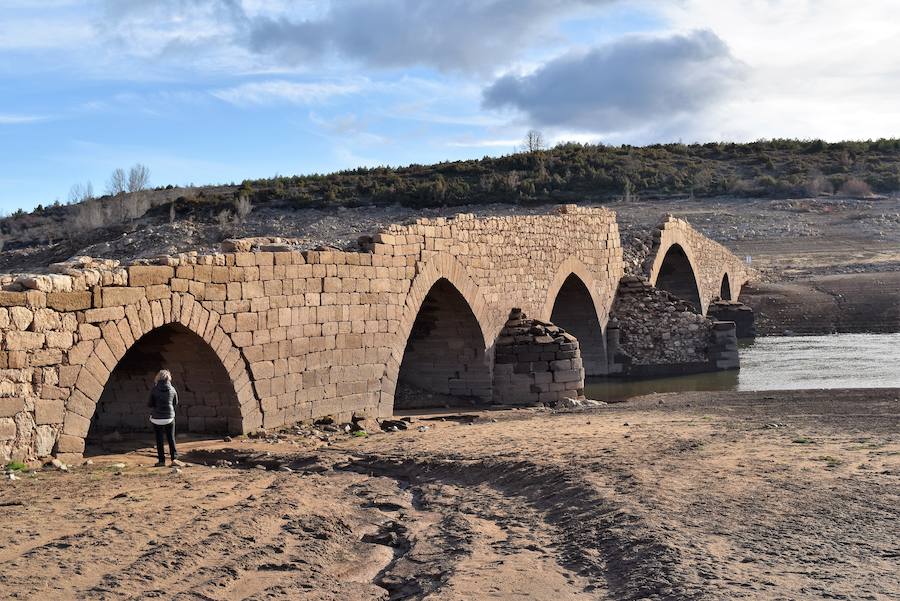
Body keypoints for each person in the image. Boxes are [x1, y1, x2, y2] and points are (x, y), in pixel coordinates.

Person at [148, 369, 179, 467]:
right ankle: (174, 459)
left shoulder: (154, 389)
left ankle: (161, 461)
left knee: (159, 440)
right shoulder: (173, 389)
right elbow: (175, 403)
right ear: (169, 378)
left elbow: (150, 404)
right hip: (169, 418)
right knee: (171, 438)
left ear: (158, 377)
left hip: (157, 418)